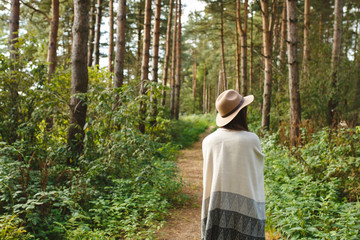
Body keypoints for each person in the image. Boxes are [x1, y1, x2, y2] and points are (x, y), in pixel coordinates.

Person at [201, 89, 265, 240]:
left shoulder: (208, 141)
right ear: (242, 113)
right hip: (247, 211)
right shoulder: (251, 140)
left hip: (215, 209)